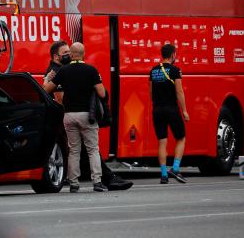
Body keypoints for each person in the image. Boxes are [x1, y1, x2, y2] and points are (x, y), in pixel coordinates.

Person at [44, 41, 132, 191]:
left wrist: (46, 78)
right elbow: (102, 93)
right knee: (92, 150)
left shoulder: (62, 71)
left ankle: (74, 183)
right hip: (86, 115)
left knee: (73, 150)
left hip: (69, 116)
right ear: (83, 54)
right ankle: (97, 181)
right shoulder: (91, 70)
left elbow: (47, 89)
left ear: (72, 55)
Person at [149, 43, 189, 184]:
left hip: (157, 110)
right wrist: (184, 111)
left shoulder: (153, 70)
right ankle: (175, 168)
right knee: (181, 138)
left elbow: (151, 93)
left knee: (162, 142)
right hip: (171, 109)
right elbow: (179, 91)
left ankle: (164, 175)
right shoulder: (175, 70)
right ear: (173, 55)